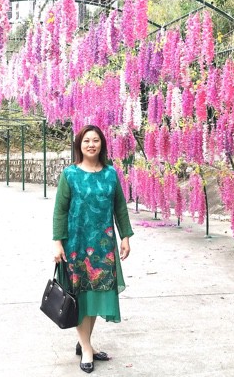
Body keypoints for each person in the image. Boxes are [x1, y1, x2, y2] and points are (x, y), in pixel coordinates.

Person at [53, 124, 134, 374]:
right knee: (80, 295)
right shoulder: (70, 174)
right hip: (76, 245)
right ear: (80, 145)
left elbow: (119, 207)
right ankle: (87, 348)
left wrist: (125, 236)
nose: (91, 144)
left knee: (96, 293)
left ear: (102, 144)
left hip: (103, 245)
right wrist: (57, 242)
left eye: (95, 140)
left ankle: (84, 342)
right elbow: (60, 211)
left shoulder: (110, 174)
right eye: (86, 140)